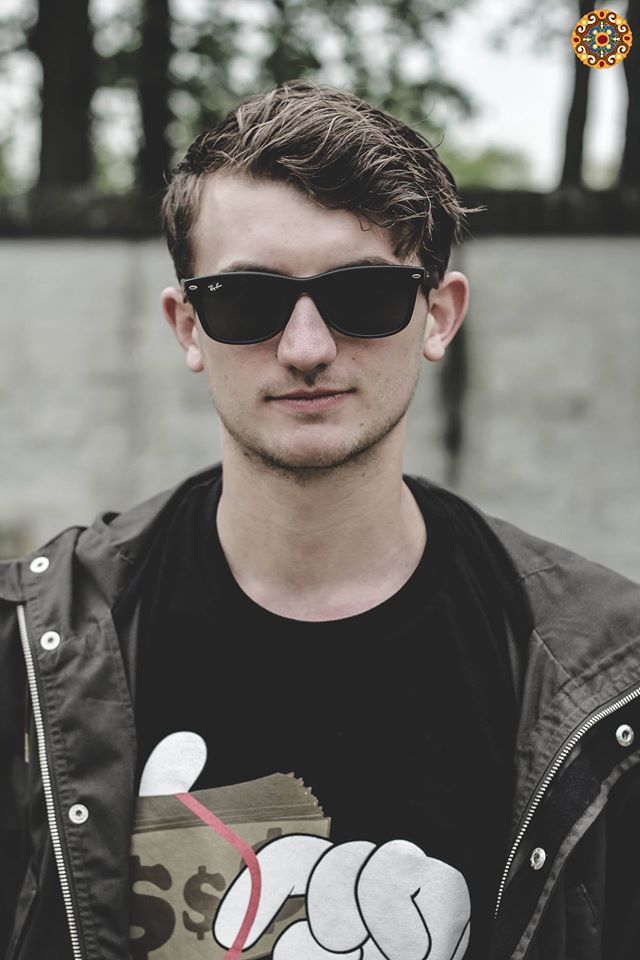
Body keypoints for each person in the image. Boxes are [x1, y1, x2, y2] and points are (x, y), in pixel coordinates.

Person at [1, 78, 639, 960]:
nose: (306, 348)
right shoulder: (32, 654)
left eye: (366, 295)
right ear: (188, 326)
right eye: (246, 300)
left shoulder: (606, 674)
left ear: (438, 317)